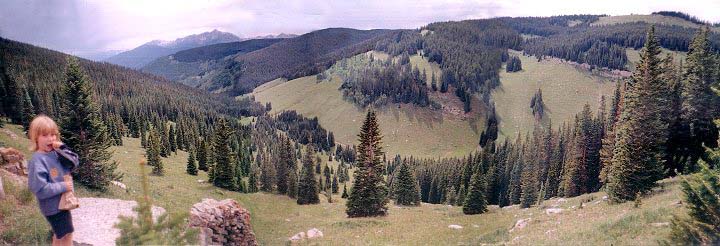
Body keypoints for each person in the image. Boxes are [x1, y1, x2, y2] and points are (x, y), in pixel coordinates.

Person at [26, 115, 79, 246]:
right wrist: (63, 186)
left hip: (63, 203)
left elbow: (74, 162)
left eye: (53, 134)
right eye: (45, 135)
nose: (50, 139)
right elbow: (40, 190)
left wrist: (63, 148)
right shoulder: (37, 160)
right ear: (35, 138)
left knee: (61, 234)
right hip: (53, 207)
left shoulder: (56, 153)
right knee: (67, 233)